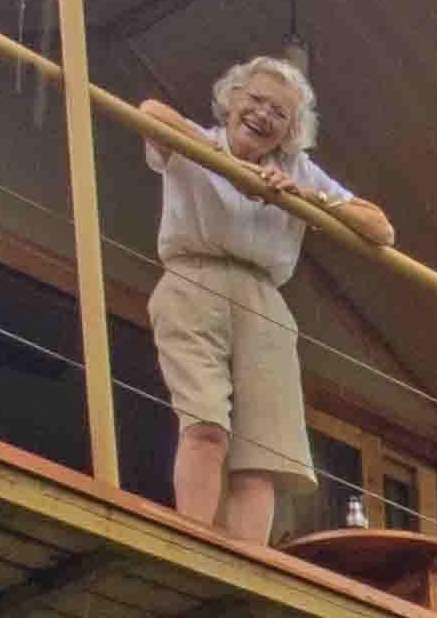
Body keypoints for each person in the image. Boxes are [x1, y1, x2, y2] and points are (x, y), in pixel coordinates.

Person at [130, 54, 393, 545]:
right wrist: (225, 165)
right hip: (195, 277)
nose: (263, 115)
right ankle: (192, 541)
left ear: (291, 130)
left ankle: (246, 561)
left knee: (261, 457)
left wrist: (309, 200)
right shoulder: (200, 139)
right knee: (206, 426)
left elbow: (381, 229)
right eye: (255, 100)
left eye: (279, 113)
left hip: (264, 299)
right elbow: (148, 113)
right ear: (231, 100)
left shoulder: (297, 171)